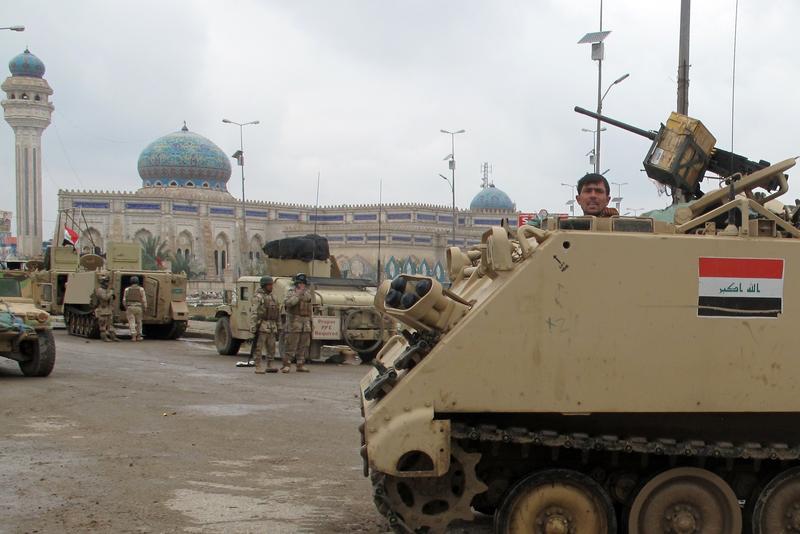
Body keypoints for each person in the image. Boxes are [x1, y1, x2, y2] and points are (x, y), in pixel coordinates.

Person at [282, 272, 312, 373]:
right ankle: (287, 364)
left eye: (304, 283)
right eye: (301, 283)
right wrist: (298, 295)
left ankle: (300, 364)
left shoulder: (307, 293)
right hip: (294, 322)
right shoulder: (291, 292)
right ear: (297, 284)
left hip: (305, 323)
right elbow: (289, 303)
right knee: (291, 344)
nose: (303, 285)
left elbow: (309, 305)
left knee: (303, 345)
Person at [249, 276, 280, 374]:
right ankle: (258, 365)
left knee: (272, 346)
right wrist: (253, 326)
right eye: (269, 285)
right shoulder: (258, 297)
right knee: (259, 347)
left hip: (272, 325)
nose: (271, 287)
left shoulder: (273, 297)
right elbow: (254, 312)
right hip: (262, 324)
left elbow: (277, 312)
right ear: (264, 285)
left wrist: (279, 325)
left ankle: (270, 364)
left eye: (272, 285)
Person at [93, 274, 119, 342]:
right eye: (106, 282)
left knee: (110, 324)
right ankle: (104, 337)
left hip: (108, 309)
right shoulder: (100, 290)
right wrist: (111, 292)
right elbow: (105, 297)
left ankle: (113, 336)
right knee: (103, 324)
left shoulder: (106, 290)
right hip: (103, 309)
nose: (107, 283)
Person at [123, 276, 147, 341]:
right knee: (139, 322)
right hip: (138, 307)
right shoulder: (141, 289)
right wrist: (145, 307)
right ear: (137, 282)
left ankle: (133, 336)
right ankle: (139, 336)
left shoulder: (127, 289)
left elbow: (124, 300)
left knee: (131, 322)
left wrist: (126, 307)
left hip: (130, 307)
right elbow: (144, 299)